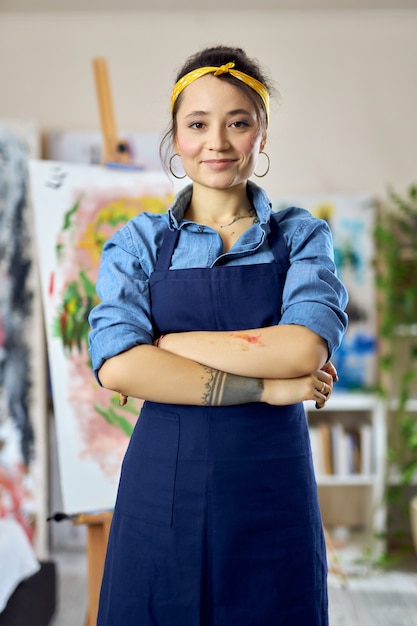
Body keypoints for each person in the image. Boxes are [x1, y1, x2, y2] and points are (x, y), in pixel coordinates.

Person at [88, 45, 348, 626]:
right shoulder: (139, 242)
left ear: (262, 134)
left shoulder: (302, 236)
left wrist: (169, 346)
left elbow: (305, 347)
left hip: (271, 490)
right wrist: (266, 387)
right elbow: (118, 367)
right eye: (198, 124)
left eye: (239, 122)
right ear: (175, 138)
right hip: (163, 490)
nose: (218, 142)